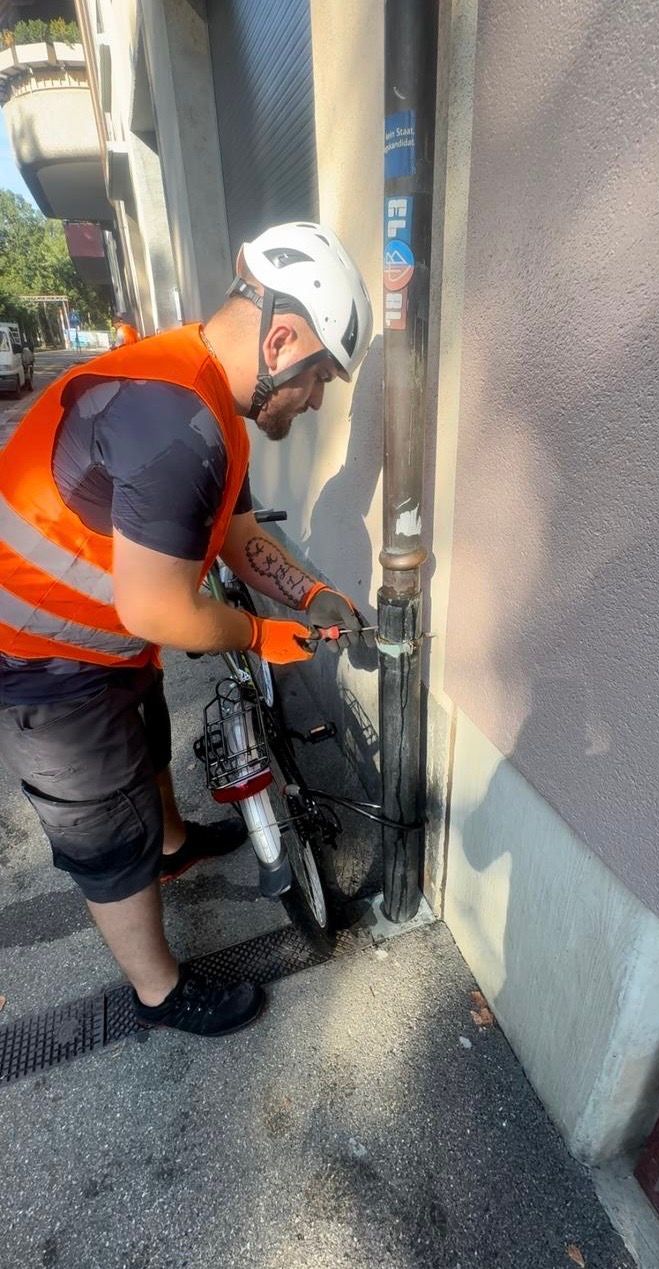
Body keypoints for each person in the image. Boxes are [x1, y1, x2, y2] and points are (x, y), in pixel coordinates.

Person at [0, 222, 373, 1038]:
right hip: (40, 655)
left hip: (101, 639)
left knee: (148, 727)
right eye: (317, 380)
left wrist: (309, 593)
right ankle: (159, 989)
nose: (315, 402)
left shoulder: (209, 398)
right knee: (103, 823)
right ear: (281, 337)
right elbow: (159, 609)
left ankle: (170, 842)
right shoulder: (181, 427)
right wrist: (258, 634)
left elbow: (237, 536)